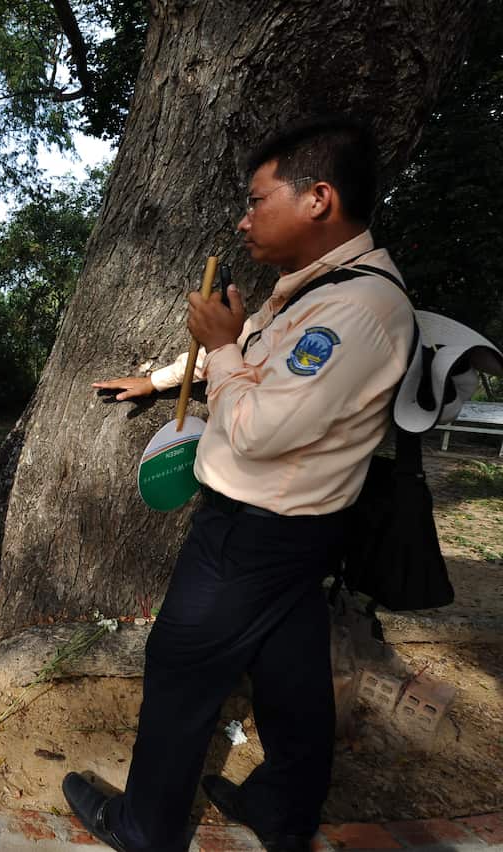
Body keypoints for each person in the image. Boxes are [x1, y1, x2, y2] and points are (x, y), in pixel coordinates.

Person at [74, 117, 415, 851]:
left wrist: (222, 349)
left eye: (259, 198)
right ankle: (282, 811)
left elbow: (259, 424)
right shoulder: (312, 287)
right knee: (290, 671)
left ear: (318, 198)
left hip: (256, 527)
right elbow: (251, 347)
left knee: (179, 667)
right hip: (293, 533)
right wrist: (164, 379)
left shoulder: (358, 309)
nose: (244, 216)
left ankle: (143, 827)